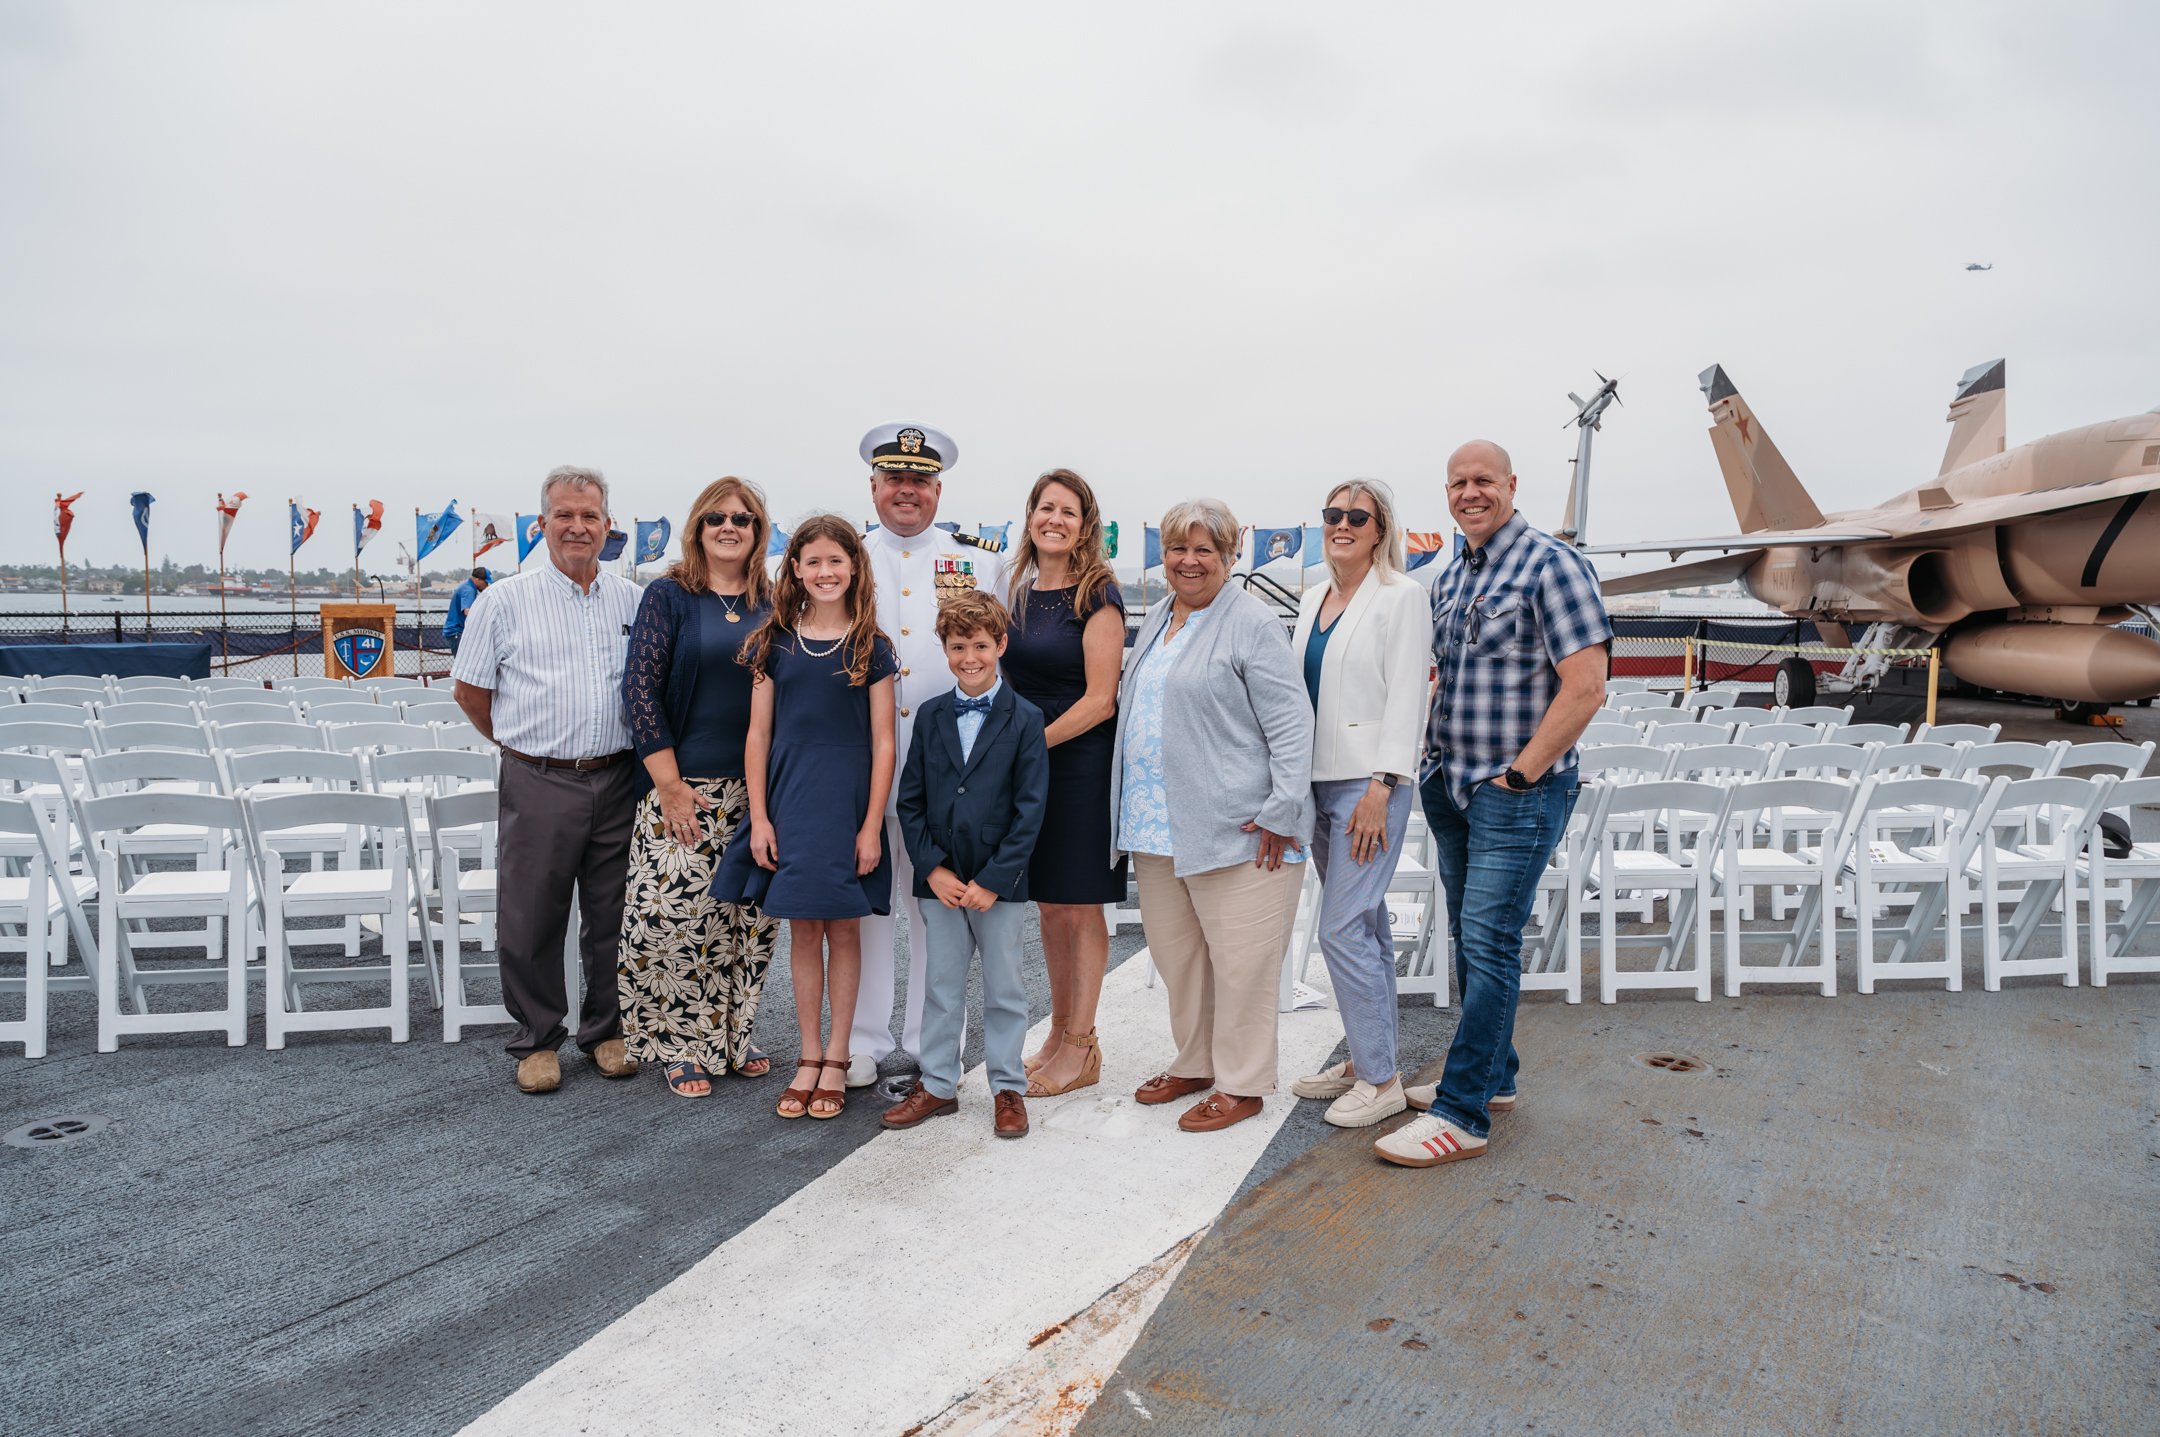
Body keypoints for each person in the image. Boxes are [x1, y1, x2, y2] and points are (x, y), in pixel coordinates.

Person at [1374, 440, 1609, 1169]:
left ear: (1511, 484)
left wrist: (1520, 774)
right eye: (1457, 483)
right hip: (1451, 784)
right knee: (1469, 939)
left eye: (1483, 481)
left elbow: (1587, 684)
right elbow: (1442, 676)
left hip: (1514, 792)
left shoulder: (1552, 564)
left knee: (1489, 938)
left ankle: (1463, 1111)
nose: (1470, 493)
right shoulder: (1450, 577)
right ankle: (1493, 1074)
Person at [1109, 498, 1314, 1134]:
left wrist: (1282, 810)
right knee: (1179, 959)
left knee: (1244, 962)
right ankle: (1195, 1061)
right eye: (1178, 549)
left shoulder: (1249, 622)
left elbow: (1291, 723)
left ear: (1229, 557)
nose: (1189, 561)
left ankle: (1243, 1082)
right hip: (1158, 825)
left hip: (1240, 829)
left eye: (1205, 550)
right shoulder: (1161, 615)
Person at [452, 467, 642, 1095]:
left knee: (613, 911)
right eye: (564, 515)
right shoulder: (503, 600)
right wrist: (520, 747)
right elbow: (470, 690)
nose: (577, 527)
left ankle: (607, 1029)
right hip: (539, 777)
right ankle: (536, 1037)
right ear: (542, 525)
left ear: (607, 525)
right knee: (532, 914)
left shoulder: (631, 600)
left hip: (618, 777)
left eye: (589, 516)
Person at [710, 515, 897, 1121]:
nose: (825, 572)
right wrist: (760, 818)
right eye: (812, 561)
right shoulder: (773, 641)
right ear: (794, 568)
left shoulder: (873, 646)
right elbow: (757, 735)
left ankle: (839, 1055)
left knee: (844, 927)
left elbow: (884, 742)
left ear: (854, 569)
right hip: (789, 805)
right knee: (803, 931)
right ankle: (808, 1055)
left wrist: (871, 825)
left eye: (836, 562)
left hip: (846, 807)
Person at [852, 422, 1010, 1089]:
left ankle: (926, 1038)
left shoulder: (980, 561)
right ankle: (861, 1039)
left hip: (949, 770)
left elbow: (998, 663)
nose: (907, 491)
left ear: (938, 489)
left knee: (933, 907)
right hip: (859, 763)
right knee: (865, 905)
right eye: (895, 479)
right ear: (874, 487)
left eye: (919, 480)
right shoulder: (847, 555)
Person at [618, 477, 779, 1098]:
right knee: (676, 920)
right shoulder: (669, 596)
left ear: (759, 530)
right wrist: (671, 787)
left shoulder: (775, 599)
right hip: (684, 786)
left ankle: (734, 1036)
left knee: (748, 919)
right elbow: (639, 692)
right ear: (698, 528)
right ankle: (681, 1044)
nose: (728, 527)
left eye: (742, 518)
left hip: (761, 789)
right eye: (716, 518)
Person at [1286, 480, 1433, 1129]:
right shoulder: (1313, 594)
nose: (1341, 524)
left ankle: (1381, 1080)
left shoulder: (1402, 597)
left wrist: (1384, 782)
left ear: (1379, 529)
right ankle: (1368, 1056)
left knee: (1341, 927)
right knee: (1366, 927)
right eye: (1332, 514)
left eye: (1356, 516)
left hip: (1369, 785)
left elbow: (1408, 693)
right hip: (1316, 780)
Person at [884, 591, 1050, 1139]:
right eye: (958, 646)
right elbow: (910, 800)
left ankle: (1007, 1086)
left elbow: (1030, 810)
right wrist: (931, 869)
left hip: (999, 882)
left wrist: (995, 881)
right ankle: (936, 1084)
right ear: (946, 649)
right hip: (941, 880)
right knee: (940, 983)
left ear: (1000, 644)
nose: (969, 657)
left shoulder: (1025, 718)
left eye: (980, 645)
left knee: (1005, 986)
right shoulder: (931, 715)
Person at [1000, 469, 1126, 1098]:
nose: (1055, 519)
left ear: (1085, 525)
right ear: (1029, 518)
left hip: (1079, 765)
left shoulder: (1097, 594)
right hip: (1032, 768)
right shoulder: (1019, 594)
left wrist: (1025, 745)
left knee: (1080, 905)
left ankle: (1083, 1045)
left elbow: (1101, 700)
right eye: (1045, 507)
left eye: (1068, 511)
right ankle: (1058, 1032)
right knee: (1049, 905)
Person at [442, 567, 491, 655]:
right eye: (486, 582)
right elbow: (467, 611)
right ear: (478, 579)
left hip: (456, 631)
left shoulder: (466, 586)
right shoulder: (469, 590)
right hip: (457, 632)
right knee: (461, 665)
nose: (486, 585)